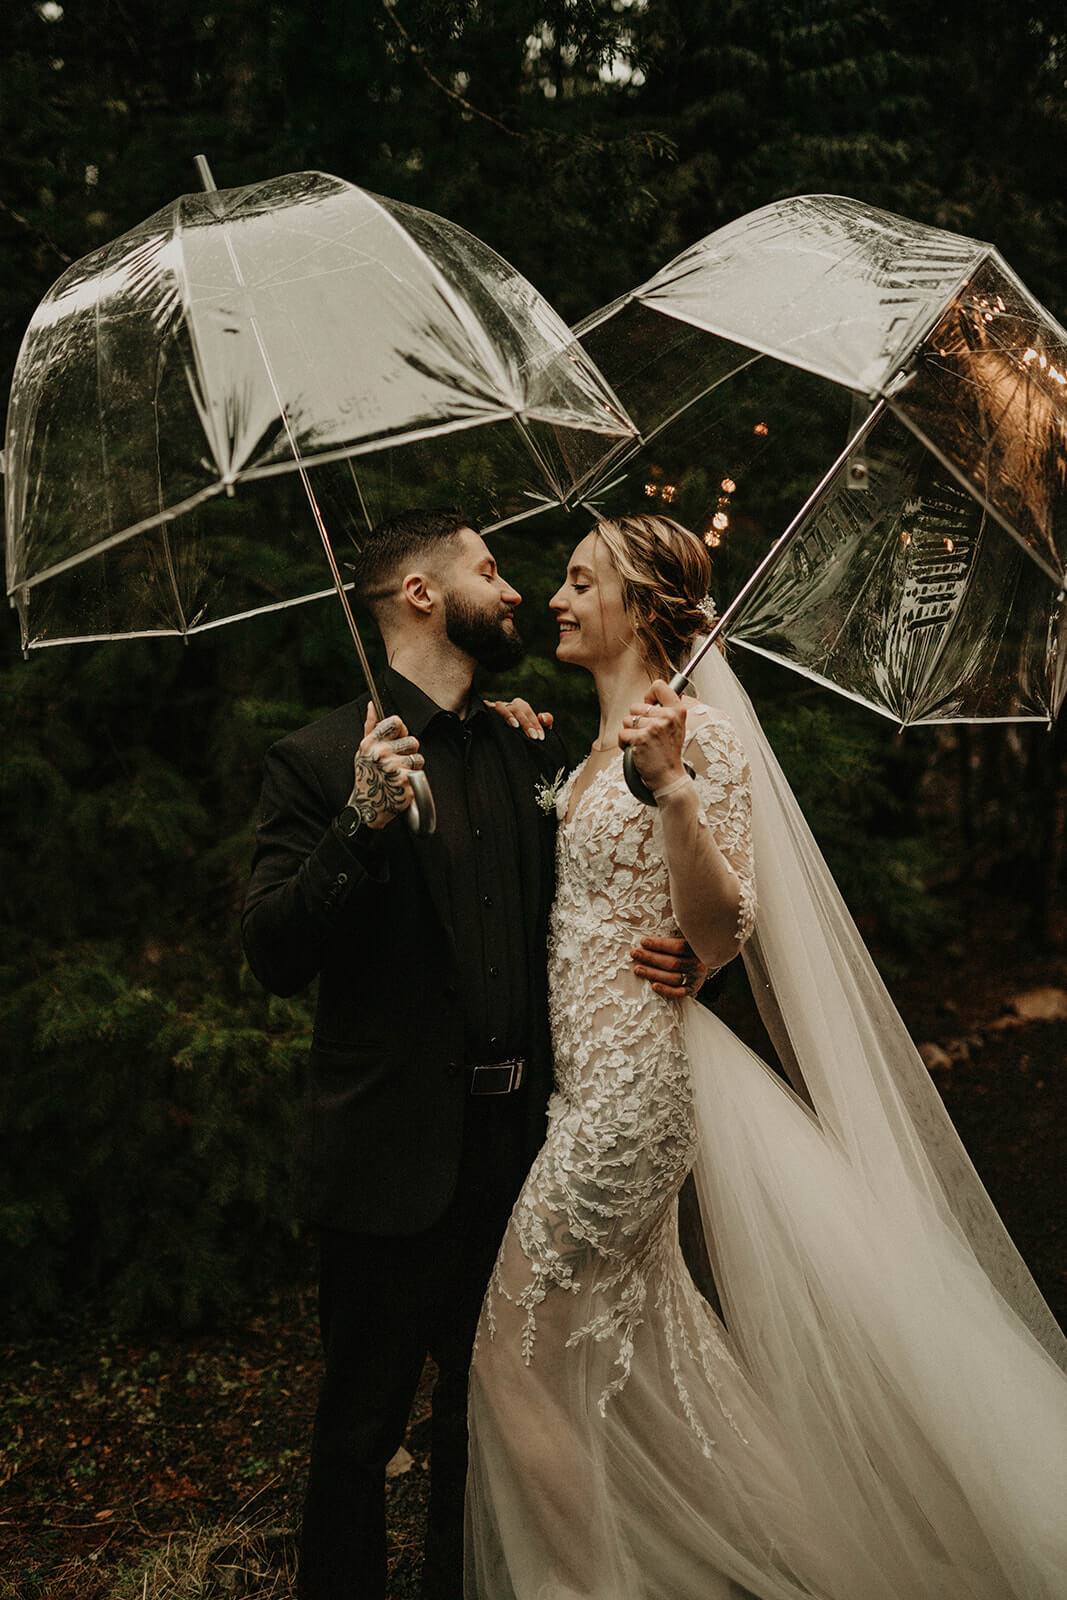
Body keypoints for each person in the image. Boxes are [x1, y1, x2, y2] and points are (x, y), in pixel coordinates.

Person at [465, 512, 1067, 1600]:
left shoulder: (696, 734)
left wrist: (678, 792)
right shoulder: (595, 737)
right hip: (582, 1092)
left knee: (510, 1360)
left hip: (627, 1102)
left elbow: (718, 928)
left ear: (641, 607)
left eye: (578, 579)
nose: (555, 597)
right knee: (652, 1366)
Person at [241, 508, 701, 1600]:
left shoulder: (526, 742)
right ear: (418, 595)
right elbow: (269, 951)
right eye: (487, 571)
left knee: (481, 1420)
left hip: (517, 1154)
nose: (514, 591)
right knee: (356, 1433)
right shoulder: (315, 761)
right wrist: (358, 822)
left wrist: (689, 947)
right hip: (385, 1163)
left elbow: (608, 886)